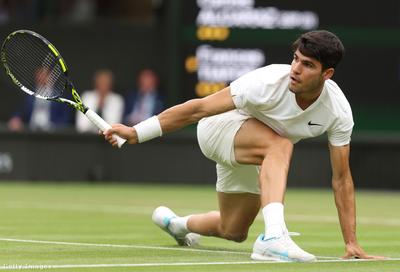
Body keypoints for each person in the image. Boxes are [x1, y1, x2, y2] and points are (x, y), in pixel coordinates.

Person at [103, 30, 385, 262]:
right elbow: (198, 109)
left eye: (308, 65)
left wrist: (352, 243)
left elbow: (342, 178)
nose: (296, 70)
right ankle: (274, 236)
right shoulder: (266, 81)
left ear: (327, 74)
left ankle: (176, 224)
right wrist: (137, 131)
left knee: (233, 229)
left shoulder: (338, 111)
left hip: (253, 150)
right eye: (296, 59)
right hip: (217, 129)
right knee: (281, 145)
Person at [8, 67, 73, 131]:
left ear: (51, 77)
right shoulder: (29, 95)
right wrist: (16, 119)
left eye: (44, 75)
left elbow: (66, 118)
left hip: (52, 134)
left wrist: (55, 127)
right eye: (39, 75)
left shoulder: (60, 96)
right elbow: (20, 112)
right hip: (31, 133)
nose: (41, 77)